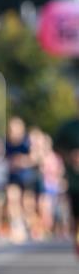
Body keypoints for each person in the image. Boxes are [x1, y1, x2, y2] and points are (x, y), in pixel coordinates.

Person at [54, 100, 79, 256]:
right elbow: (56, 147)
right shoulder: (68, 127)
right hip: (75, 181)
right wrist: (70, 156)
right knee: (76, 215)